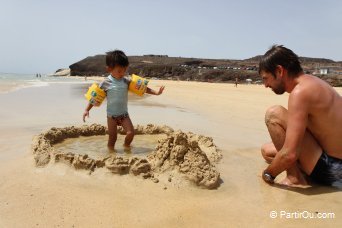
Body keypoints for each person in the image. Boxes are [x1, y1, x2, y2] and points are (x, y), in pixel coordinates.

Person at [259, 45, 342, 187]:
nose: (266, 85)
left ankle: (294, 178)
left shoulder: (300, 93)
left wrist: (268, 174)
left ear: (279, 71)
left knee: (274, 114)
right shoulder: (312, 82)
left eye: (266, 78)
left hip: (334, 169)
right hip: (332, 157)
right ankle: (301, 171)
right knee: (267, 151)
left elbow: (289, 154)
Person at [82, 50, 165, 151]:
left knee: (131, 133)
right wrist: (87, 110)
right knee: (113, 138)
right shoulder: (105, 83)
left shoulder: (126, 81)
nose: (122, 73)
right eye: (119, 71)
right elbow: (94, 98)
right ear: (109, 69)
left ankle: (126, 146)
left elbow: (142, 88)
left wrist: (156, 92)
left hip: (124, 114)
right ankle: (110, 153)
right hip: (111, 116)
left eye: (124, 70)